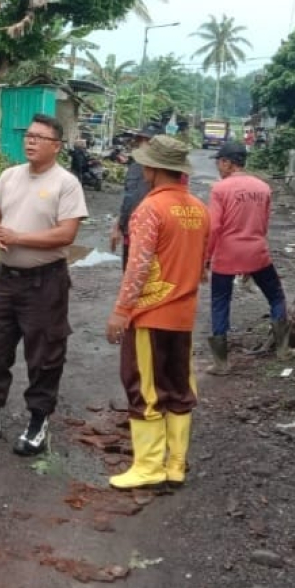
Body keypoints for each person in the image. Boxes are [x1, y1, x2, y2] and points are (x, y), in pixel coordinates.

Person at [0, 114, 88, 457]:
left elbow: (67, 234)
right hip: (7, 278)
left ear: (56, 146)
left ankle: (38, 423)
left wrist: (18, 237)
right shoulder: (9, 176)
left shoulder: (66, 183)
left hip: (45, 281)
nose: (30, 141)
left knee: (44, 353)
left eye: (39, 137)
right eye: (28, 135)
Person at [105, 135, 209, 490]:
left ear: (151, 169)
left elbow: (138, 266)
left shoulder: (150, 209)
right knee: (179, 388)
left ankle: (149, 466)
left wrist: (121, 311)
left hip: (151, 315)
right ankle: (176, 464)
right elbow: (201, 265)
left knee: (145, 389)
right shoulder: (198, 208)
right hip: (184, 316)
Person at [204, 140, 289, 375]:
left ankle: (221, 363)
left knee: (220, 302)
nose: (219, 168)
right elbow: (264, 222)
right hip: (256, 252)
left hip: (227, 254)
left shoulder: (220, 189)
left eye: (220, 163)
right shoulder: (263, 187)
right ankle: (282, 348)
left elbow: (213, 227)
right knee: (276, 296)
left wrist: (206, 256)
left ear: (228, 163)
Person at [111, 122, 164, 267]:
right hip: (130, 233)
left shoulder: (168, 172)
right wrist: (117, 226)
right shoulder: (134, 167)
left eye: (149, 141)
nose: (144, 144)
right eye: (142, 140)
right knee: (130, 278)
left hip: (153, 237)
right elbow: (128, 198)